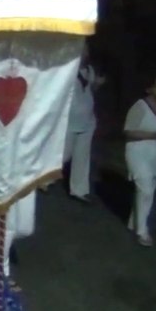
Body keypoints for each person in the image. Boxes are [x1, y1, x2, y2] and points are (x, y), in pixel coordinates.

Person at [123, 73, 156, 247]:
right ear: (148, 88)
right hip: (138, 153)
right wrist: (153, 135)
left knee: (149, 190)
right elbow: (128, 131)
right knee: (145, 189)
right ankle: (142, 231)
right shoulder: (140, 106)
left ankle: (135, 222)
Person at [63, 45, 104, 201]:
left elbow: (90, 89)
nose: (85, 54)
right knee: (65, 154)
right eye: (82, 50)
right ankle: (43, 178)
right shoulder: (67, 71)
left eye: (86, 51)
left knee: (82, 156)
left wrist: (97, 84)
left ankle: (79, 190)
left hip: (87, 120)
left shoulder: (90, 70)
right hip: (70, 120)